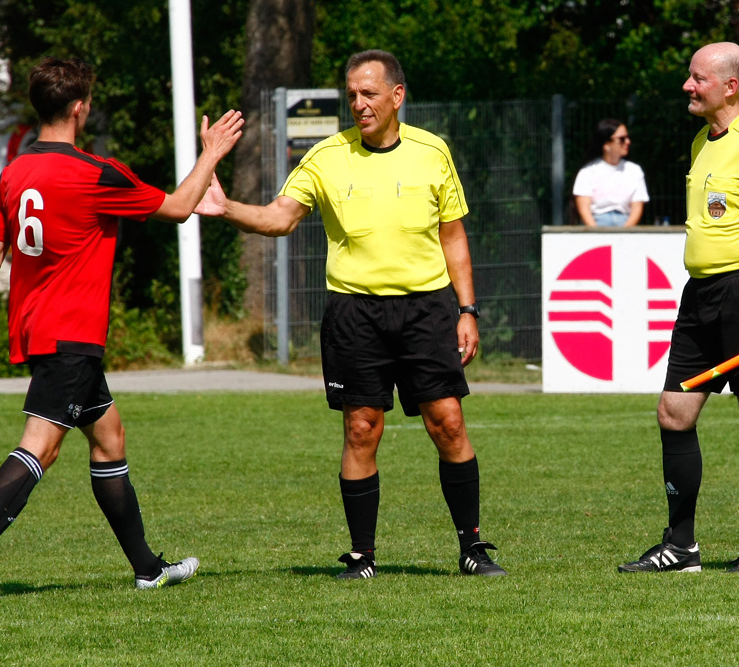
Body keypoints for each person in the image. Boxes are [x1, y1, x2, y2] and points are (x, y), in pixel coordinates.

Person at [195, 49, 506, 579]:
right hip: (354, 313)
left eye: (369, 93)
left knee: (448, 423)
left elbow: (453, 235)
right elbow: (279, 218)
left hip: (427, 310)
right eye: (352, 95)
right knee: (362, 428)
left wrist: (467, 309)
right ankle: (362, 557)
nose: (359, 104)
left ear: (397, 96)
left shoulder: (433, 152)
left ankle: (472, 549)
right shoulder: (324, 157)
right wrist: (227, 210)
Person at [0, 57, 243, 597]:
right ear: (80, 107)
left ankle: (147, 569)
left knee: (109, 438)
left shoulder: (14, 174)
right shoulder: (94, 172)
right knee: (40, 447)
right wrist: (212, 153)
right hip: (72, 336)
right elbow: (177, 207)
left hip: (41, 331)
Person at [618, 42, 739, 574]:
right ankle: (681, 545)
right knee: (674, 412)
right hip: (699, 294)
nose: (687, 86)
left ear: (730, 86)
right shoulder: (702, 141)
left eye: (697, 78)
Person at [572, 118, 650, 227]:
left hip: (625, 222)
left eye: (627, 137)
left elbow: (637, 208)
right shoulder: (588, 172)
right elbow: (584, 209)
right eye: (622, 139)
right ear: (606, 145)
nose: (628, 142)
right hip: (597, 222)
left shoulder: (634, 171)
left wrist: (625, 232)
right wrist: (596, 232)